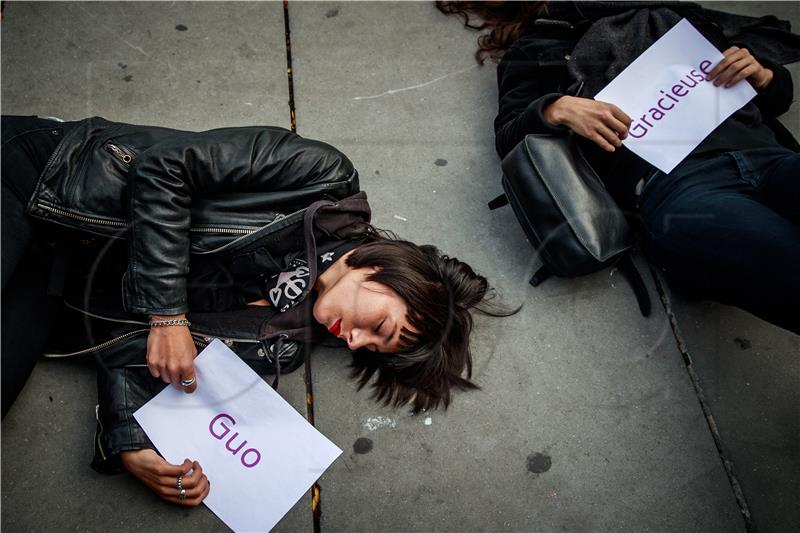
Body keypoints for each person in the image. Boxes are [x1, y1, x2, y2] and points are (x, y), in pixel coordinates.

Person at [1, 115, 503, 505]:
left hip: (56, 295)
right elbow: (164, 166)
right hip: (43, 184)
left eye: (371, 348)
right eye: (378, 326)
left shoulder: (280, 344)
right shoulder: (321, 179)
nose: (355, 341)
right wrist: (167, 316)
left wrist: (132, 444)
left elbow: (141, 360)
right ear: (381, 271)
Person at [437, 1, 800, 334]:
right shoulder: (534, 48)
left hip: (766, 152)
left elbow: (778, 96)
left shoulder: (663, 10)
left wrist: (765, 76)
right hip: (680, 188)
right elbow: (509, 138)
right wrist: (555, 108)